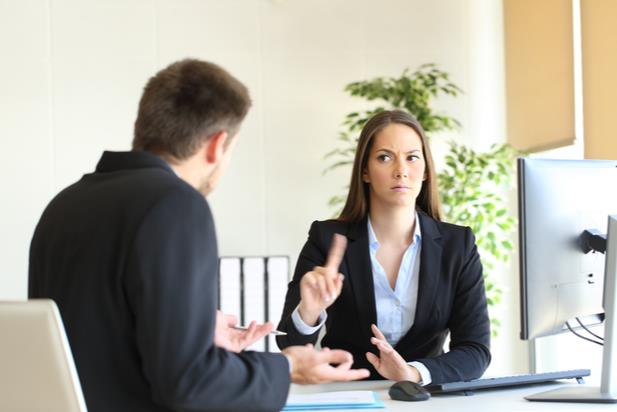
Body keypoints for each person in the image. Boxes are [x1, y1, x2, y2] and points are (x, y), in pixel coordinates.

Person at [28, 59, 369, 412]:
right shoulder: (176, 205)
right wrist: (288, 367)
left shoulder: (64, 205)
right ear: (217, 145)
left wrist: (196, 331)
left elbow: (101, 339)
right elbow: (190, 384)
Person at [276, 110, 491, 385]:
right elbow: (289, 347)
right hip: (347, 397)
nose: (401, 170)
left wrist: (413, 373)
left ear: (425, 170)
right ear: (365, 171)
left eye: (412, 157)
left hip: (424, 400)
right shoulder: (327, 239)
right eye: (385, 157)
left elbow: (475, 350)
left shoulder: (457, 245)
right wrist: (309, 311)